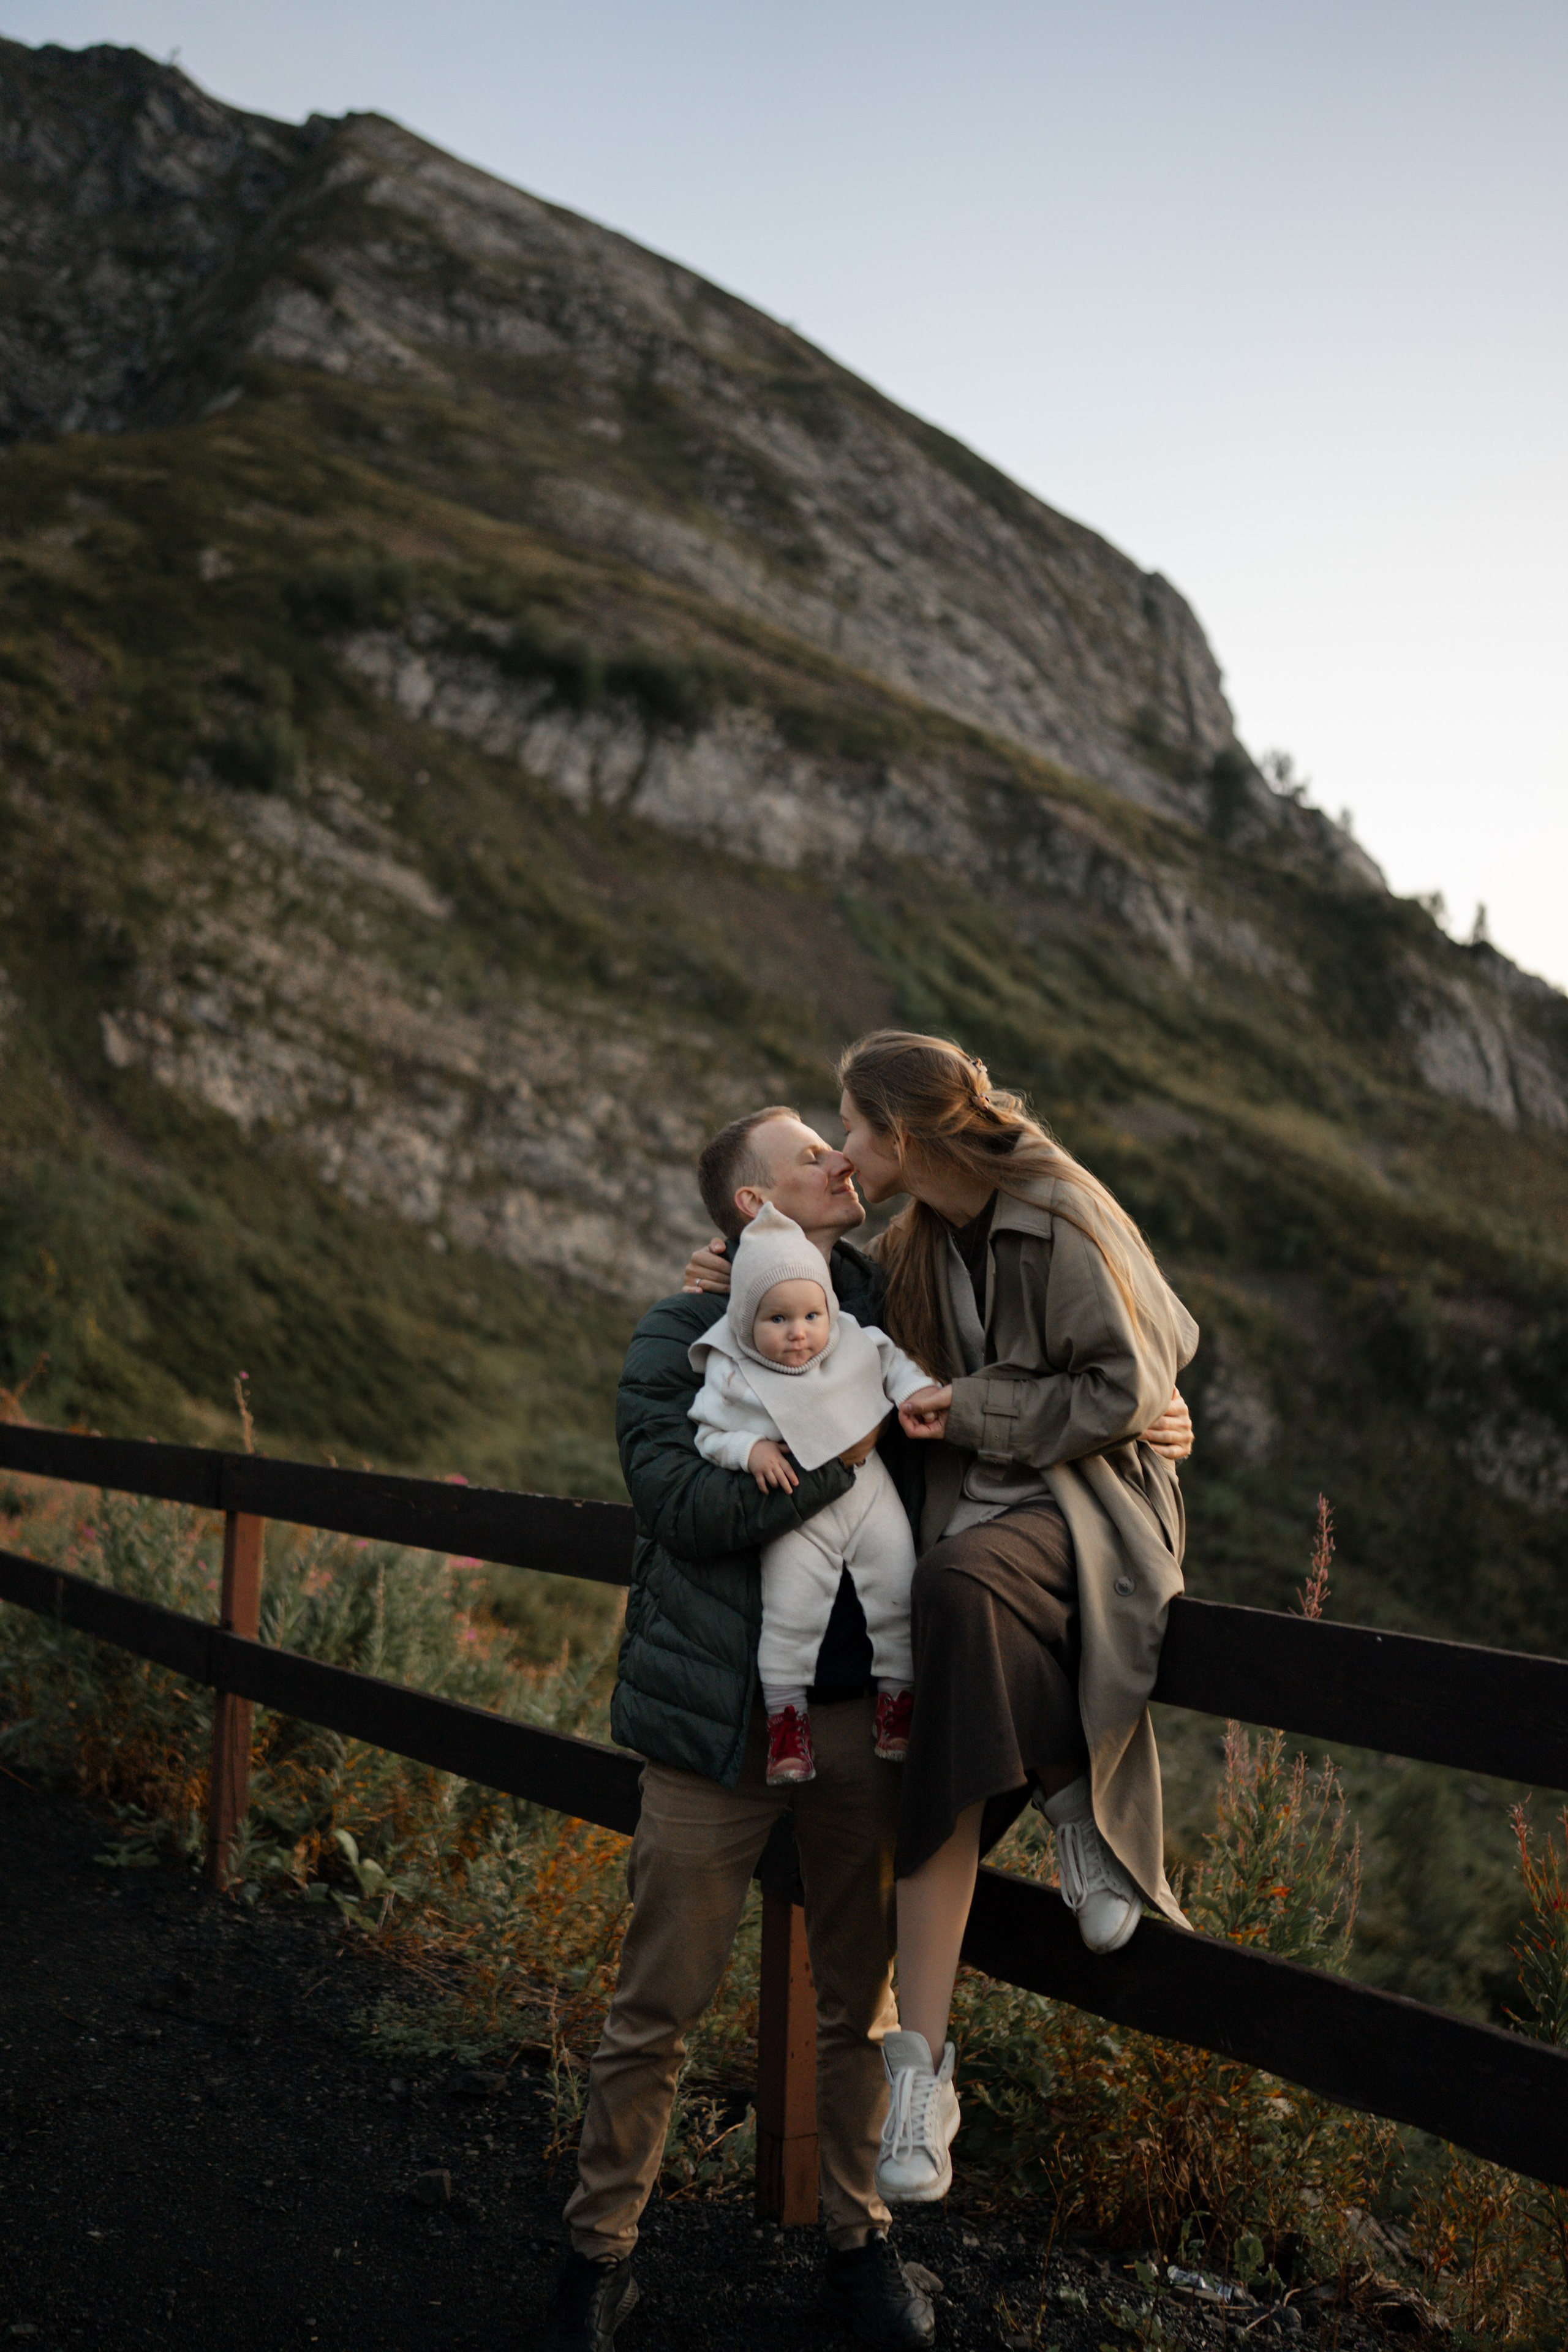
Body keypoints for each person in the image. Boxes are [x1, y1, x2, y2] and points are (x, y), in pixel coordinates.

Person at [544, 1106, 939, 2352]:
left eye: (838, 1138)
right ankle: (595, 2253)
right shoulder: (679, 1332)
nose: (838, 1158)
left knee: (859, 2004)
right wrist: (842, 1462)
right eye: (806, 1151)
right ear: (747, 1206)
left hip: (857, 1726)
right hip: (713, 1727)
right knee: (655, 2003)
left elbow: (1003, 1389)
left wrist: (1140, 1416)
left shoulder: (885, 1309)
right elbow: (681, 1502)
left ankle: (858, 2242)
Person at [831, 1030, 1197, 2209]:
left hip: (1091, 1505)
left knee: (950, 1592)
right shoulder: (920, 1235)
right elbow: (826, 1312)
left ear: (899, 1134)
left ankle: (1069, 1805)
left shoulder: (1061, 1205)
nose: (844, 1152)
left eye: (850, 1129)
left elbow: (1146, 1368)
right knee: (953, 1654)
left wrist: (992, 1409)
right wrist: (725, 1263)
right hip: (986, 1513)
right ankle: (922, 2080)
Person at [687, 1199, 944, 1784]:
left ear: (830, 1309)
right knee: (789, 1611)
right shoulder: (734, 1371)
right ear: (745, 1324)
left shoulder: (854, 1339)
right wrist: (749, 1450)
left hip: (870, 1495)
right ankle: (786, 1722)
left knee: (898, 1588)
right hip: (794, 1514)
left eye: (810, 1315)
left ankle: (897, 1705)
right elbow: (710, 1431)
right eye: (776, 1320)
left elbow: (896, 1364)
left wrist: (918, 1393)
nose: (798, 1333)